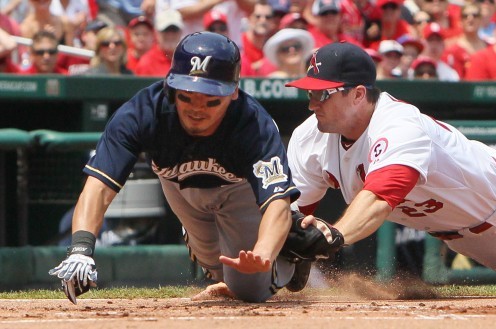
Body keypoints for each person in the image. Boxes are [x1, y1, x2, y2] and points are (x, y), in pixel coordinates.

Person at [283, 41, 496, 297]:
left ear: (358, 95)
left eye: (323, 94)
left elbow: (379, 198)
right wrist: (268, 270)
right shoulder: (309, 138)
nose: (312, 103)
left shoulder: (399, 124)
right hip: (459, 229)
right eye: (310, 93)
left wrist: (333, 236)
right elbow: (293, 215)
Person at [48, 32, 304, 304]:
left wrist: (265, 251)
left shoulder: (253, 123)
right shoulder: (143, 112)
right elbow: (99, 187)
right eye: (187, 96)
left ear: (234, 91)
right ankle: (204, 242)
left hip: (240, 190)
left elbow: (276, 200)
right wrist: (80, 248)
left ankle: (292, 252)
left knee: (249, 288)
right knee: (217, 269)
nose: (197, 108)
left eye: (211, 99)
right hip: (180, 188)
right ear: (170, 87)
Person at [133, 9, 184, 77]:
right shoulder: (147, 63)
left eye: (174, 30)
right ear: (156, 33)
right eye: (165, 31)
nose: (170, 35)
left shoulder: (188, 60)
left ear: (181, 32)